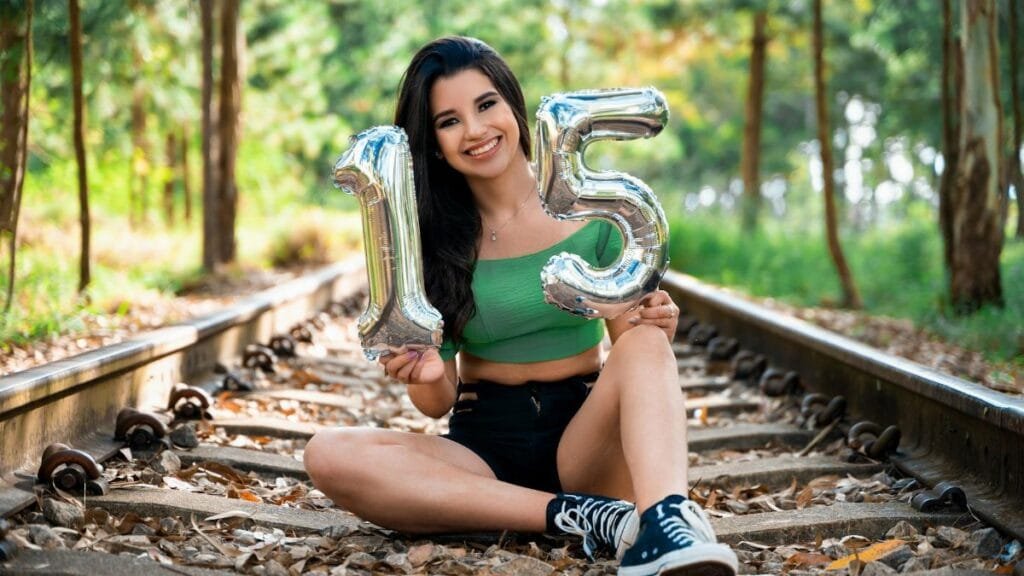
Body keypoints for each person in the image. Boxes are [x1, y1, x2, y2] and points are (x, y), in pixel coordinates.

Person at [304, 36, 738, 576]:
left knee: (648, 343)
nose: (476, 131)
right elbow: (436, 404)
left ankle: (666, 526)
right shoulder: (430, 241)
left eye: (486, 105)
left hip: (587, 439)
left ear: (513, 105)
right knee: (327, 453)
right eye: (449, 120)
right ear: (435, 143)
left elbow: (630, 344)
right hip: (484, 447)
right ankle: (581, 517)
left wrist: (651, 322)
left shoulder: (596, 210)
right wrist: (426, 371)